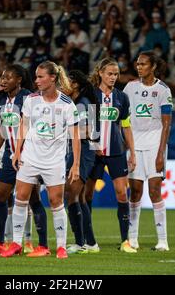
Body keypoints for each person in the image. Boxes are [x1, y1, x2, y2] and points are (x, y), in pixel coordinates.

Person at [0, 61, 81, 259]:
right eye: (35, 76)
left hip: (54, 161)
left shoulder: (67, 104)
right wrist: (18, 151)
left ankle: (61, 246)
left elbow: (75, 136)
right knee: (20, 198)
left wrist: (76, 164)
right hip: (30, 157)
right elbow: (24, 126)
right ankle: (16, 244)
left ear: (52, 78)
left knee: (56, 201)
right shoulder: (31, 100)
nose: (36, 81)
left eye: (40, 77)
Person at [0, 65, 48, 256]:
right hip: (9, 155)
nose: (2, 80)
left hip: (29, 156)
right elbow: (3, 129)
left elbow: (37, 127)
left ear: (19, 80)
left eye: (7, 77)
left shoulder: (30, 98)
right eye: (1, 77)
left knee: (33, 200)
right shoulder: (1, 99)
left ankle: (42, 246)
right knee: (0, 197)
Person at [85, 57, 137, 253]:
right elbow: (87, 123)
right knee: (87, 194)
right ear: (100, 73)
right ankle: (89, 241)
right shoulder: (90, 95)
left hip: (115, 151)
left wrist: (132, 152)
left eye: (116, 74)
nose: (113, 77)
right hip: (93, 152)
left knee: (122, 194)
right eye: (110, 74)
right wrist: (92, 143)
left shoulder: (122, 98)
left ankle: (125, 241)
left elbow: (125, 126)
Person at [122, 51, 172, 251]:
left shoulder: (163, 90)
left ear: (153, 67)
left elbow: (166, 125)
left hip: (154, 145)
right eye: (138, 64)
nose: (139, 67)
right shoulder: (130, 87)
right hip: (134, 145)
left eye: (143, 64)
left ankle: (163, 240)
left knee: (154, 191)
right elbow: (124, 117)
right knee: (135, 192)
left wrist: (161, 153)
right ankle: (132, 239)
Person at [62, 70, 100, 254]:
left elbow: (89, 132)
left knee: (71, 194)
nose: (62, 86)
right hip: (84, 150)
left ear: (75, 85)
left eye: (66, 82)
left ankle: (81, 243)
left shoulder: (82, 105)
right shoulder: (79, 103)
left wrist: (61, 133)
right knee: (79, 196)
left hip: (84, 150)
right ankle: (90, 243)